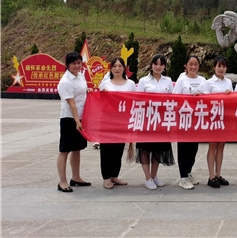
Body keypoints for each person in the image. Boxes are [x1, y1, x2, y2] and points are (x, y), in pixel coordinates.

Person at [136, 54, 175, 190]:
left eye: (161, 64)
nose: (158, 67)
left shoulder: (168, 81)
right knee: (145, 149)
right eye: (156, 64)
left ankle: (154, 175)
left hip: (162, 120)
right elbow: (138, 100)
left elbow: (173, 99)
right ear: (151, 65)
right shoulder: (143, 81)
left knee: (158, 149)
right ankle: (147, 177)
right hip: (147, 120)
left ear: (164, 67)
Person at [98, 57, 136, 189]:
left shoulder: (130, 84)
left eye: (120, 66)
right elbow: (99, 102)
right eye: (114, 66)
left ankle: (114, 175)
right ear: (111, 69)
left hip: (122, 121)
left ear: (124, 68)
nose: (117, 69)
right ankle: (106, 177)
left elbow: (135, 101)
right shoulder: (105, 84)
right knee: (106, 150)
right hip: (107, 122)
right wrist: (100, 94)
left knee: (118, 150)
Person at [56, 52, 90, 192]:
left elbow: (83, 93)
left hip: (81, 118)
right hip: (69, 119)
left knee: (77, 148)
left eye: (78, 62)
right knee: (64, 150)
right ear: (67, 65)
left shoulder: (80, 75)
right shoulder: (65, 82)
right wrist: (77, 121)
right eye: (73, 63)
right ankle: (62, 181)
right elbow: (72, 104)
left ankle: (76, 177)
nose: (77, 66)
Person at [172, 55, 206, 190]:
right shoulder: (181, 81)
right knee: (183, 149)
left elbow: (209, 97)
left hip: (197, 120)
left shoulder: (203, 80)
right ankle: (183, 177)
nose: (193, 67)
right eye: (190, 64)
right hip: (184, 120)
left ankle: (188, 172)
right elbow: (175, 99)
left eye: (196, 64)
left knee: (193, 149)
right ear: (185, 65)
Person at [203, 56, 233, 189]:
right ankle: (211, 176)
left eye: (224, 67)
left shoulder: (228, 82)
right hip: (213, 118)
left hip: (225, 118)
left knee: (221, 146)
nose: (221, 69)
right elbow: (205, 100)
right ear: (214, 67)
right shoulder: (209, 83)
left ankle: (218, 174)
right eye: (219, 66)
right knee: (213, 146)